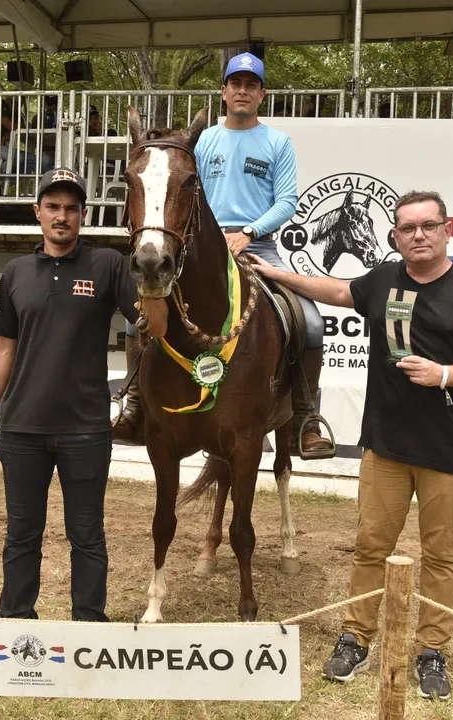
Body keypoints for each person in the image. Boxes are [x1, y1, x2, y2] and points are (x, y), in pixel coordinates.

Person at [247, 190, 453, 701]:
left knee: (440, 556)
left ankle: (431, 652)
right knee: (370, 548)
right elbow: (332, 291)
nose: (418, 235)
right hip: (386, 448)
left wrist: (446, 374)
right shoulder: (382, 280)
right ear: (394, 237)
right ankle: (355, 638)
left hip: (451, 451)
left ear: (447, 232)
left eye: (428, 226)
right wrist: (274, 274)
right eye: (408, 228)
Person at [0, 167, 139, 680]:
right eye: (54, 206)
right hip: (20, 431)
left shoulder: (108, 264)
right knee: (22, 535)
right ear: (37, 212)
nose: (63, 216)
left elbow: (148, 323)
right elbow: (2, 347)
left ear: (83, 215)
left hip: (86, 428)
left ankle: (90, 638)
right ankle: (13, 638)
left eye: (73, 208)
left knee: (87, 535)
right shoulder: (16, 271)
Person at [115, 51, 334, 457]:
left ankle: (306, 418)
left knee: (312, 321)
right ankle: (134, 406)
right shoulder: (204, 140)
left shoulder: (277, 142)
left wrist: (250, 232)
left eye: (251, 85)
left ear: (262, 94)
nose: (243, 91)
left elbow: (287, 201)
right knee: (138, 318)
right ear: (223, 91)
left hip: (259, 246)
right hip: (200, 248)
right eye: (236, 83)